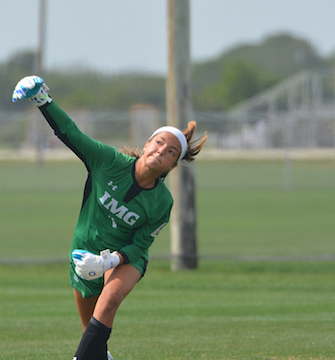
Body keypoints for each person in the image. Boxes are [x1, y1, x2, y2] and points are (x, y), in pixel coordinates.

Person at [12, 76, 207, 360]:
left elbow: (141, 246)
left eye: (170, 152)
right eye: (159, 143)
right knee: (91, 335)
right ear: (147, 143)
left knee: (110, 299)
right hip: (84, 251)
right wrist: (43, 100)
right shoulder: (108, 161)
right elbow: (70, 132)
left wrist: (109, 261)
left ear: (173, 165)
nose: (161, 151)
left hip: (126, 259)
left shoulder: (163, 202)